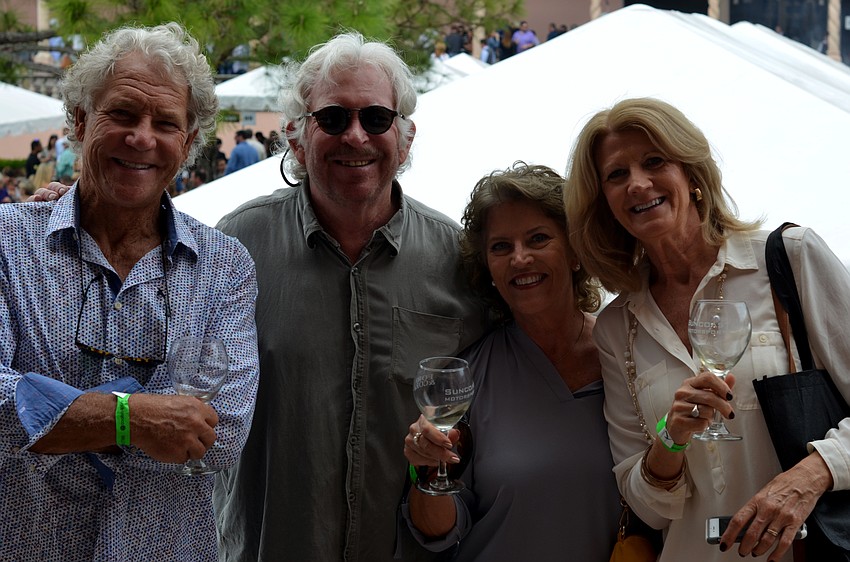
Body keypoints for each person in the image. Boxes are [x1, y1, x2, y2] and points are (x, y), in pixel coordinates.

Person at [212, 31, 489, 562]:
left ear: (405, 138)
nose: (356, 137)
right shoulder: (237, 245)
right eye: (334, 118)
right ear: (296, 138)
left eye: (376, 119)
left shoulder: (460, 259)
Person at [1, 23, 260, 560]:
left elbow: (221, 434)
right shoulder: (8, 243)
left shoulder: (224, 267)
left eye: (166, 122)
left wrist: (49, 415)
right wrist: (135, 418)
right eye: (121, 113)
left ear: (187, 144)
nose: (142, 137)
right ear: (79, 120)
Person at [564, 97, 850, 562]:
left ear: (692, 176)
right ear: (605, 202)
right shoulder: (618, 328)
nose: (637, 183)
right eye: (616, 175)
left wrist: (811, 474)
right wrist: (671, 438)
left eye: (654, 161)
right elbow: (647, 508)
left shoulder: (787, 258)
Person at [402, 163, 621, 561]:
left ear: (574, 250)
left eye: (538, 239)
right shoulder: (469, 376)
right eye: (501, 247)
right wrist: (426, 471)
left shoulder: (626, 355)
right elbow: (437, 532)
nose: (520, 259)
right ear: (487, 268)